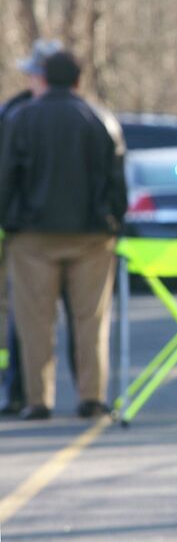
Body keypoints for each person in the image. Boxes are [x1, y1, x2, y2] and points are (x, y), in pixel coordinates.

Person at [0, 50, 127, 421]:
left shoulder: (21, 118)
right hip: (92, 237)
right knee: (91, 319)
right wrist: (113, 220)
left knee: (34, 321)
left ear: (44, 78)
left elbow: (6, 175)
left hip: (32, 236)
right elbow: (116, 179)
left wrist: (9, 222)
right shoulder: (100, 118)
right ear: (77, 80)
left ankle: (38, 400)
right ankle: (92, 397)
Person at [0, 38, 78, 416]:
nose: (29, 78)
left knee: (72, 319)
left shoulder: (83, 116)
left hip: (65, 233)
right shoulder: (13, 112)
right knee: (22, 319)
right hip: (24, 232)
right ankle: (17, 390)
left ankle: (85, 396)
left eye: (35, 72)